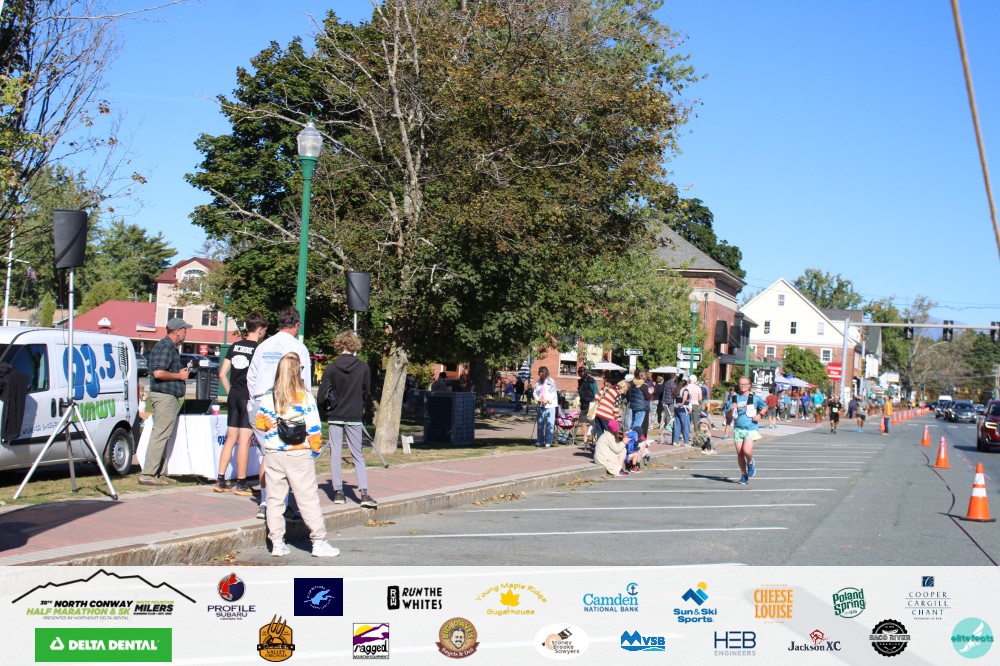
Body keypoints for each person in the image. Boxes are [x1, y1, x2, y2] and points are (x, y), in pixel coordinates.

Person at [254, 352, 339, 557]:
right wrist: (314, 450)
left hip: (273, 452)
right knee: (307, 498)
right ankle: (318, 541)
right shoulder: (304, 396)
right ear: (297, 372)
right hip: (299, 453)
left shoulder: (269, 396)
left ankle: (277, 542)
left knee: (274, 499)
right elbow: (314, 429)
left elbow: (260, 423)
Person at [247, 306, 312, 520]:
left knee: (266, 454)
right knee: (283, 456)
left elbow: (251, 377)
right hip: (285, 404)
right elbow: (304, 383)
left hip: (260, 403)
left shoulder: (263, 346)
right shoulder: (298, 348)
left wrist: (256, 399)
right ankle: (278, 504)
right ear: (296, 325)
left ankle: (266, 502)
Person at [318, 330, 377, 509]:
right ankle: (364, 493)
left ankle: (338, 492)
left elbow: (322, 395)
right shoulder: (363, 367)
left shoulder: (331, 368)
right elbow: (366, 390)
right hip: (354, 414)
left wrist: (326, 409)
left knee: (335, 453)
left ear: (339, 345)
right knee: (357, 454)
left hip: (335, 414)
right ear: (355, 345)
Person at [214, 312, 269, 495]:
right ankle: (242, 483)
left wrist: (230, 391)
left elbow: (222, 374)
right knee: (244, 441)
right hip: (248, 397)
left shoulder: (235, 346)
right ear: (259, 330)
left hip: (234, 396)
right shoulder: (259, 349)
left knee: (231, 438)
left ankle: (220, 479)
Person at [139, 317, 193, 486]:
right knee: (160, 434)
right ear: (178, 331)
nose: (186, 333)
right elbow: (158, 373)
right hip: (164, 397)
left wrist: (178, 373)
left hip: (168, 396)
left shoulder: (170, 347)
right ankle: (148, 474)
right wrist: (180, 376)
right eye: (185, 330)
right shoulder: (165, 347)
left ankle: (159, 472)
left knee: (164, 435)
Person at [725, 376, 768, 485]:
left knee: (747, 451)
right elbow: (728, 415)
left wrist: (760, 415)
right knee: (740, 454)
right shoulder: (734, 398)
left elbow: (765, 407)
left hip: (751, 428)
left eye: (745, 384)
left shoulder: (754, 398)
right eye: (741, 384)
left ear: (749, 385)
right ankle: (744, 475)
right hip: (738, 429)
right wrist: (731, 409)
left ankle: (750, 462)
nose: (743, 386)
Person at [533, 366, 558, 447]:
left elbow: (554, 393)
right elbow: (534, 393)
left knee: (549, 424)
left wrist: (547, 400)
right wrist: (538, 399)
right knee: (540, 424)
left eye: (542, 372)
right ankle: (540, 441)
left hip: (550, 406)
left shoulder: (551, 381)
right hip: (540, 406)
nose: (541, 373)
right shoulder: (537, 383)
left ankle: (548, 441)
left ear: (546, 373)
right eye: (540, 372)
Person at [576, 366, 598, 445]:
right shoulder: (580, 381)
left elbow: (596, 391)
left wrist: (595, 403)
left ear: (585, 372)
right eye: (579, 372)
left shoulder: (591, 380)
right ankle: (585, 439)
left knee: (593, 422)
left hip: (591, 403)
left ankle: (595, 439)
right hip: (583, 403)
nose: (580, 373)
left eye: (581, 371)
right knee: (583, 421)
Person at [671, 379, 692, 445]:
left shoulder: (677, 390)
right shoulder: (685, 390)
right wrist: (682, 403)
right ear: (685, 384)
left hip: (676, 409)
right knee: (686, 426)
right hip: (683, 409)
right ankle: (686, 442)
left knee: (677, 426)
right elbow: (685, 397)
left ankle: (675, 441)